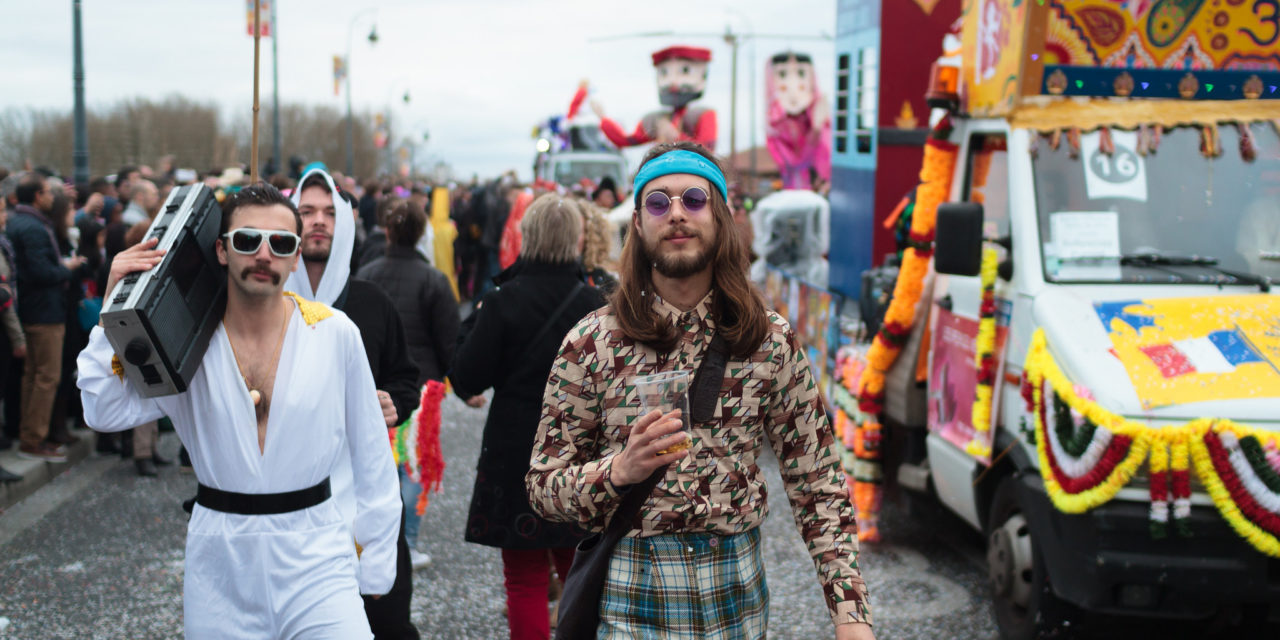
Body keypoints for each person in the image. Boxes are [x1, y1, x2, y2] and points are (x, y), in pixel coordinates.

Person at [526, 143, 874, 640]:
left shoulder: (768, 339)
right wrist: (618, 471)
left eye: (694, 199)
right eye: (658, 202)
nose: (676, 215)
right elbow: (543, 489)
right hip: (632, 592)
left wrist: (850, 614)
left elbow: (817, 480)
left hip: (736, 596)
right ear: (638, 223)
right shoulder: (592, 343)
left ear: (722, 216)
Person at [78, 183, 401, 638]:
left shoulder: (334, 334)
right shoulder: (182, 345)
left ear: (294, 256)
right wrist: (114, 308)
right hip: (220, 561)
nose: (264, 254)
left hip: (317, 556)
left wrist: (377, 561)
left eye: (281, 243)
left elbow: (372, 455)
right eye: (248, 240)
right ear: (223, 251)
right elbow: (102, 410)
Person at [452, 193, 605, 640]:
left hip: (515, 450)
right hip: (581, 451)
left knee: (523, 581)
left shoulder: (503, 300)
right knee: (578, 576)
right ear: (577, 239)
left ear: (526, 236)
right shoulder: (595, 302)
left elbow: (468, 376)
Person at [284, 169, 422, 640]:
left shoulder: (371, 301)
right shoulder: (264, 304)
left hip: (365, 491)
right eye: (306, 212)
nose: (318, 222)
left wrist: (394, 401)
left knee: (382, 618)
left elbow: (406, 377)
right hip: (288, 496)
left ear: (345, 223)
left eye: (328, 213)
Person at [356, 198, 465, 570]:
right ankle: (408, 542)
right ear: (421, 233)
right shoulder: (434, 280)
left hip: (374, 383)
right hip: (423, 384)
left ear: (387, 230)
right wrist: (461, 382)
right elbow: (449, 339)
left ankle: (375, 538)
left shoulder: (366, 274)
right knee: (414, 465)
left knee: (377, 465)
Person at [9, 173, 86, 462]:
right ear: (38, 196)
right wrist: (69, 268)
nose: (52, 197)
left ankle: (30, 434)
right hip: (44, 311)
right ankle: (33, 440)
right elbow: (41, 273)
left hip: (32, 308)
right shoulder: (34, 228)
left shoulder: (21, 222)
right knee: (46, 377)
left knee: (34, 375)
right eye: (47, 192)